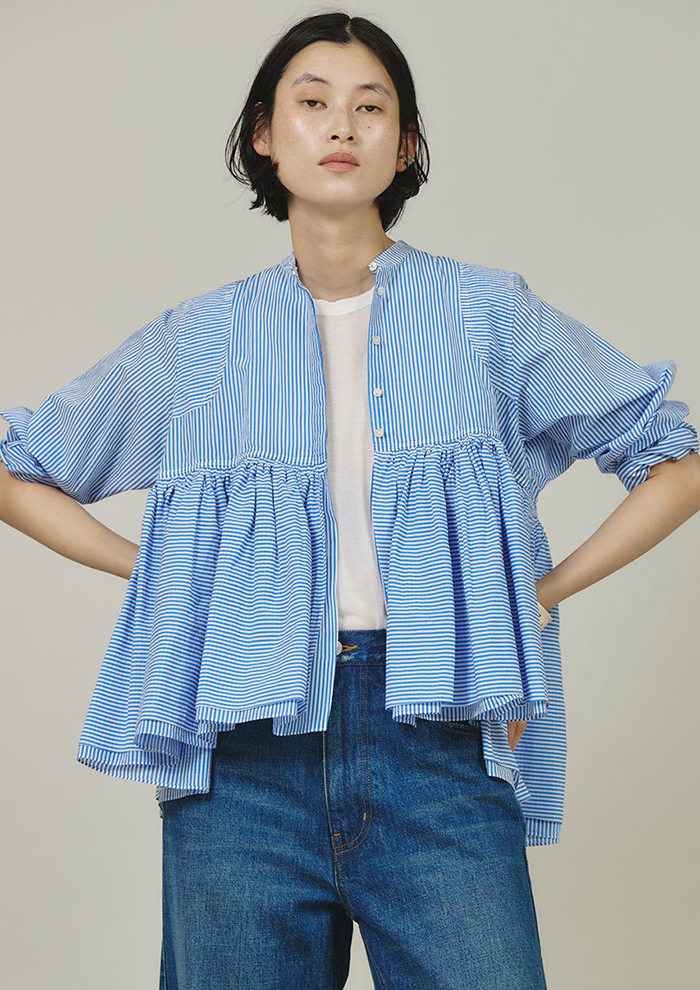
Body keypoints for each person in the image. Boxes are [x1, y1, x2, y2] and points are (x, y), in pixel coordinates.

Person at [2, 11, 699, 990]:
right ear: (263, 133)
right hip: (242, 766)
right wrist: (153, 567)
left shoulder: (486, 314)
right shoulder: (199, 340)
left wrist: (536, 597)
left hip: (440, 740)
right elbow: (18, 468)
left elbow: (676, 460)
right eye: (312, 102)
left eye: (372, 107)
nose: (341, 125)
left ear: (405, 143)